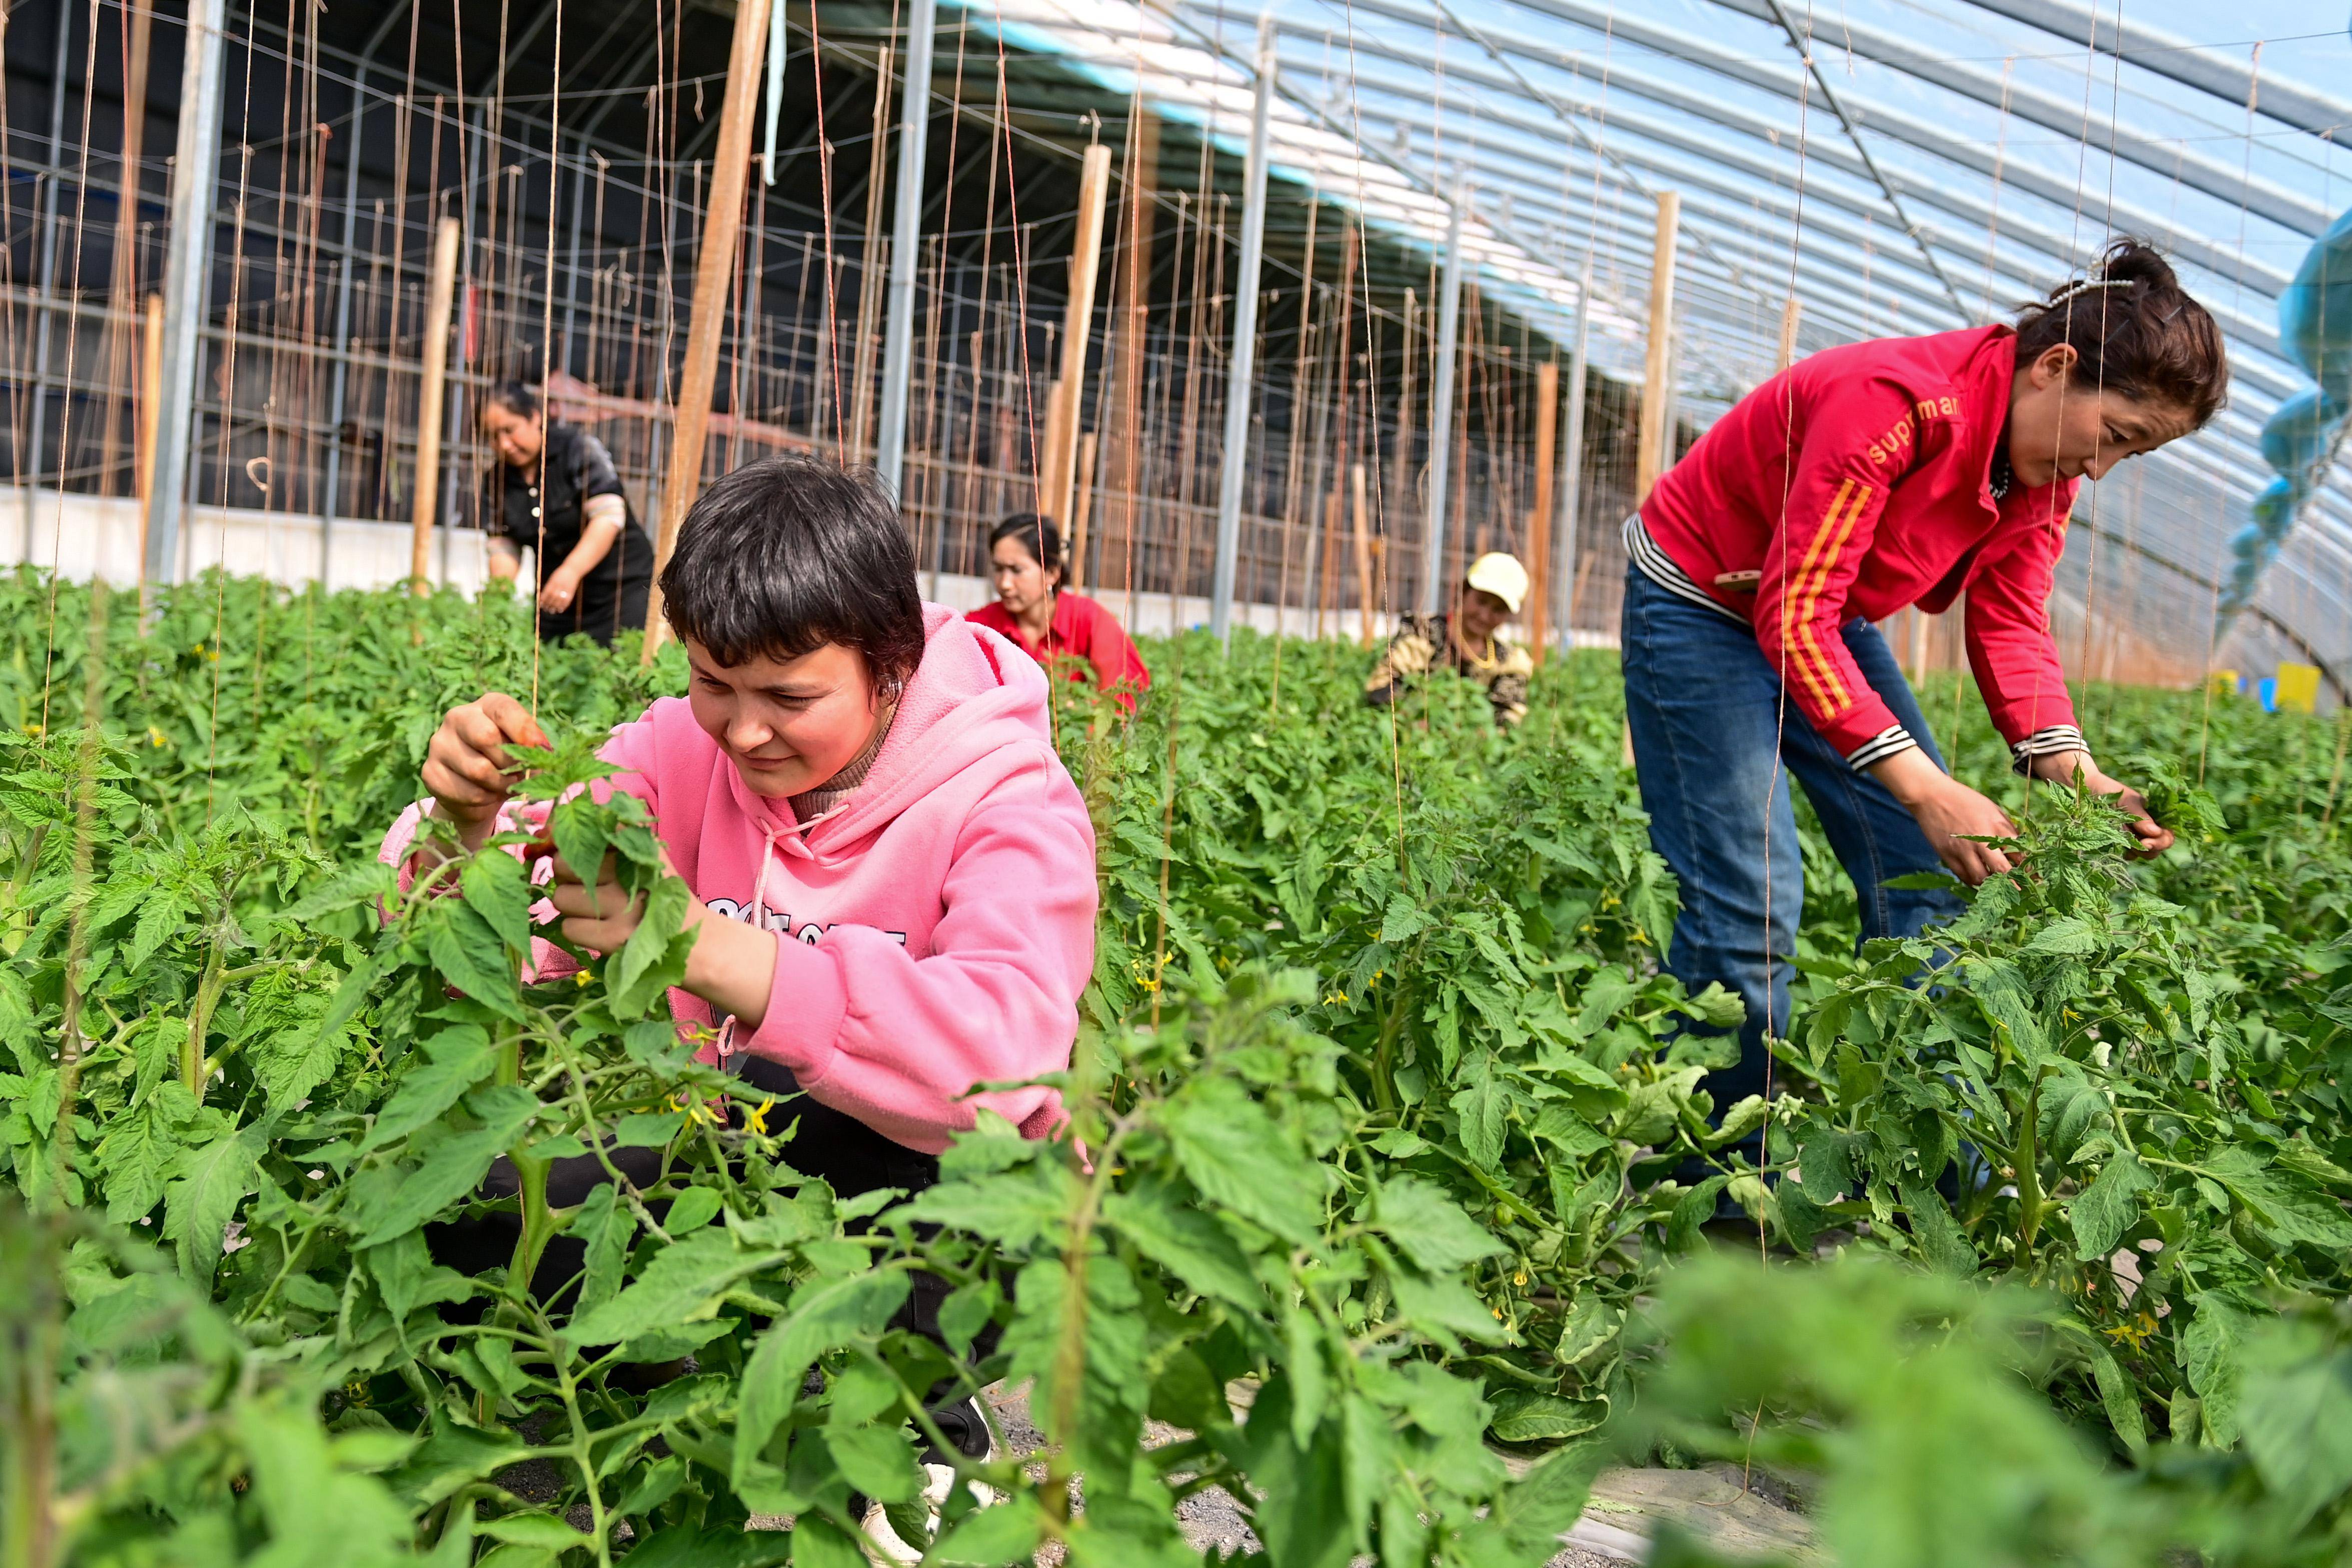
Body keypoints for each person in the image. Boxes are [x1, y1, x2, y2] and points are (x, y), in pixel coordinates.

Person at [384, 455, 1099, 1545]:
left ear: (890, 662)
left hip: (953, 1181)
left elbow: (1001, 1063)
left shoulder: (1005, 790)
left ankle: (924, 1434)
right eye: (715, 680)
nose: (743, 729)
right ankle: (674, 1384)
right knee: (483, 1206)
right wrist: (464, 828)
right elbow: (509, 923)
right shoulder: (678, 746)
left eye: (789, 696)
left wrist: (703, 949)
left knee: (832, 1110)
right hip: (732, 1147)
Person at [1619, 239, 2223, 1155]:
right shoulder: (1895, 405)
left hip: (1824, 602)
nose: (2100, 470)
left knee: (1942, 875)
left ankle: (1918, 1157)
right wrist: (1926, 786)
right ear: (2055, 367)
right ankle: (1713, 1172)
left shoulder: (2036, 473)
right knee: (1753, 901)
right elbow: (1793, 620)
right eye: (2114, 436)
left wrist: (2076, 774)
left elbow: (2012, 618)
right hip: (1704, 601)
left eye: (2129, 455)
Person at [477, 380, 659, 646]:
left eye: (510, 430)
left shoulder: (577, 450)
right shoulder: (497, 480)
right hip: (559, 598)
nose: (504, 444)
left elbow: (607, 518)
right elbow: (505, 546)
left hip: (622, 590)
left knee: (624, 666)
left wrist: (571, 571)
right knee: (551, 669)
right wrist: (499, 596)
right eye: (493, 436)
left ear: (534, 418)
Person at [965, 513, 1150, 712]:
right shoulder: (979, 626)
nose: (1005, 584)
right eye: (998, 569)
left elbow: (1121, 699)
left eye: (1016, 570)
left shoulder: (1089, 620)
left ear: (1052, 574)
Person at [1363, 551, 1537, 730]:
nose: (1485, 616)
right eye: (1481, 601)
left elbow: (1507, 722)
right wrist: (1412, 719)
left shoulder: (1508, 660)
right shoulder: (1424, 633)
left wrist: (1471, 737)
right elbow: (1382, 689)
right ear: (1463, 591)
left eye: (1498, 610)